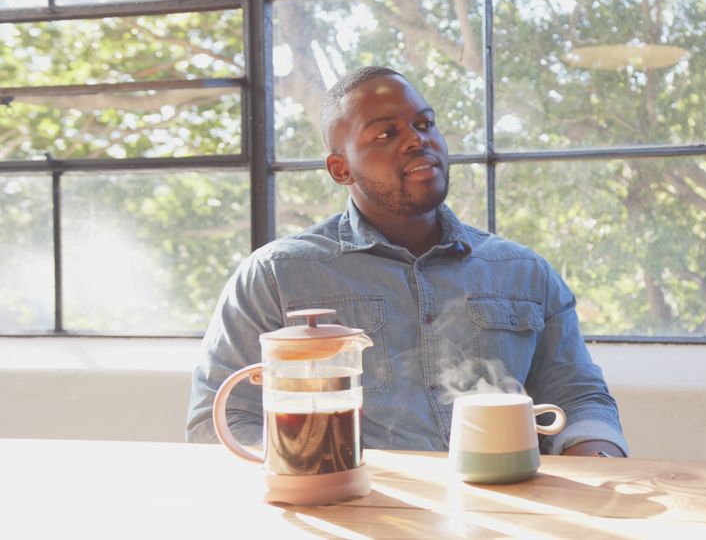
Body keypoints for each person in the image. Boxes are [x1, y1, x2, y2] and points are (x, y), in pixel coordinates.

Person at [186, 66, 627, 457]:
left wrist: (599, 467)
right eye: (386, 133)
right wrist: (308, 469)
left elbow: (579, 396)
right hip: (352, 516)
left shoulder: (524, 272)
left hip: (513, 509)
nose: (418, 139)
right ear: (341, 169)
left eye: (424, 123)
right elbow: (221, 421)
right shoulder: (276, 277)